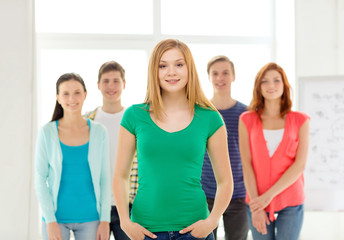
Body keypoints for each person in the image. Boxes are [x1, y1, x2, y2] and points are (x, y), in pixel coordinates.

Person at [113, 39, 234, 240]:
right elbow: (120, 176)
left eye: (179, 64)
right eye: (163, 66)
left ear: (189, 69)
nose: (171, 72)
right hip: (145, 231)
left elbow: (225, 180)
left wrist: (212, 221)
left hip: (195, 231)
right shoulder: (134, 116)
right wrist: (125, 222)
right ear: (154, 71)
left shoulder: (210, 118)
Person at [34, 73, 111, 240]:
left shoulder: (99, 132)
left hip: (92, 218)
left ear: (85, 95)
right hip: (56, 219)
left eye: (77, 92)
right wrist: (50, 220)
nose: (72, 99)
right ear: (58, 98)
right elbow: (40, 179)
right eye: (66, 94)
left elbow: (105, 178)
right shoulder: (47, 132)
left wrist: (105, 219)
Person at [239, 63, 310, 240]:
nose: (271, 86)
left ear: (284, 85)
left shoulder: (300, 120)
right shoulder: (247, 119)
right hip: (256, 201)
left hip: (291, 200)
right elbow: (246, 164)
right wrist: (257, 205)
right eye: (265, 81)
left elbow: (299, 165)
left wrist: (267, 197)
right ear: (258, 87)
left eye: (276, 80)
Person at [84, 61, 136, 239]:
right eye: (106, 81)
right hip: (94, 205)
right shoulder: (87, 121)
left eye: (116, 81)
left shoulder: (135, 120)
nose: (111, 86)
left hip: (130, 205)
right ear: (98, 85)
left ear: (124, 84)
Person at [201, 55, 248, 240]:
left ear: (233, 76)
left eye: (225, 73)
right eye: (215, 73)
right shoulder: (201, 111)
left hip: (238, 194)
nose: (220, 78)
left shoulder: (246, 113)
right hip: (205, 193)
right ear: (209, 77)